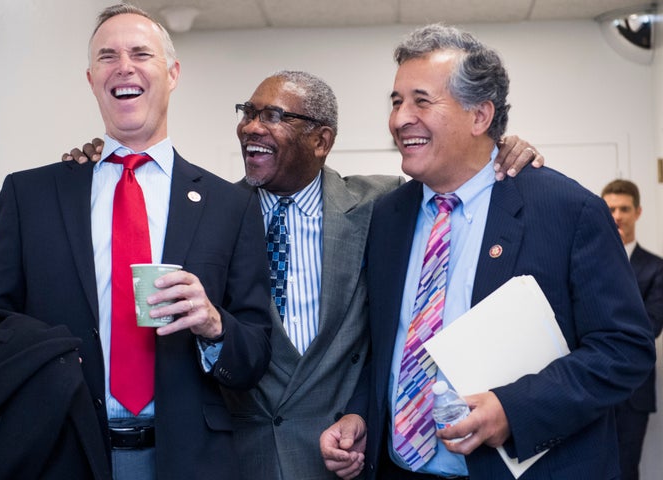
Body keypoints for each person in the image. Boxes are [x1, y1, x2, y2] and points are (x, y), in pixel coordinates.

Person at [65, 68, 543, 478]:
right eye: (247, 112)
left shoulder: (384, 204)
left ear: (322, 140)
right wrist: (97, 163)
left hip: (341, 453)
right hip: (236, 456)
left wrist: (505, 150)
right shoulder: (210, 210)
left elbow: (458, 178)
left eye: (272, 116)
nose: (251, 127)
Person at [320, 24, 655, 480]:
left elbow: (625, 350)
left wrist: (513, 410)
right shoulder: (387, 216)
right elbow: (385, 347)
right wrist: (359, 414)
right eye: (396, 102)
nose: (399, 119)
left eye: (421, 100)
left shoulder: (566, 210)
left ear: (480, 116)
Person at [0, 4, 272, 480]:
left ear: (172, 74)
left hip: (190, 459)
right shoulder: (30, 196)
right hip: (60, 453)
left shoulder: (228, 206)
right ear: (91, 79)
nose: (124, 66)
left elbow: (254, 353)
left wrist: (214, 325)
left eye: (140, 53)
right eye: (107, 56)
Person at [601, 179, 663, 480]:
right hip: (591, 386)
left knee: (626, 471)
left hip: (634, 393)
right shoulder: (589, 261)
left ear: (637, 212)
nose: (617, 216)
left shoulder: (656, 268)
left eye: (624, 209)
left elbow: (651, 326)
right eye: (610, 208)